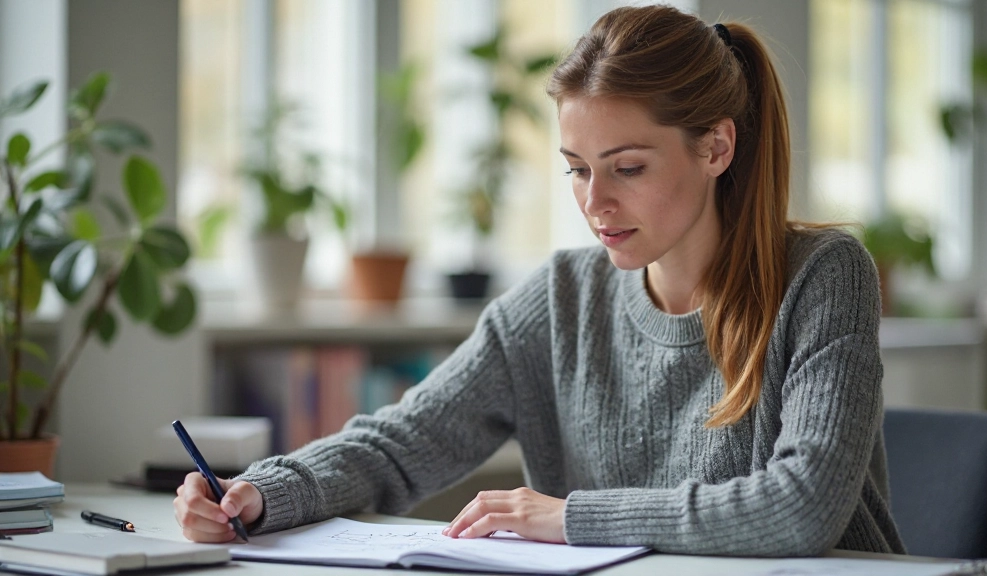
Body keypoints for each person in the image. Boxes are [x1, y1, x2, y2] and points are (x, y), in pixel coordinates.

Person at [175, 5, 906, 556]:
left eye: (627, 168)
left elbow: (801, 506)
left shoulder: (823, 277)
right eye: (578, 169)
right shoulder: (562, 297)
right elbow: (402, 442)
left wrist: (566, 517)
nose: (595, 203)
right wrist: (262, 493)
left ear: (715, 147)